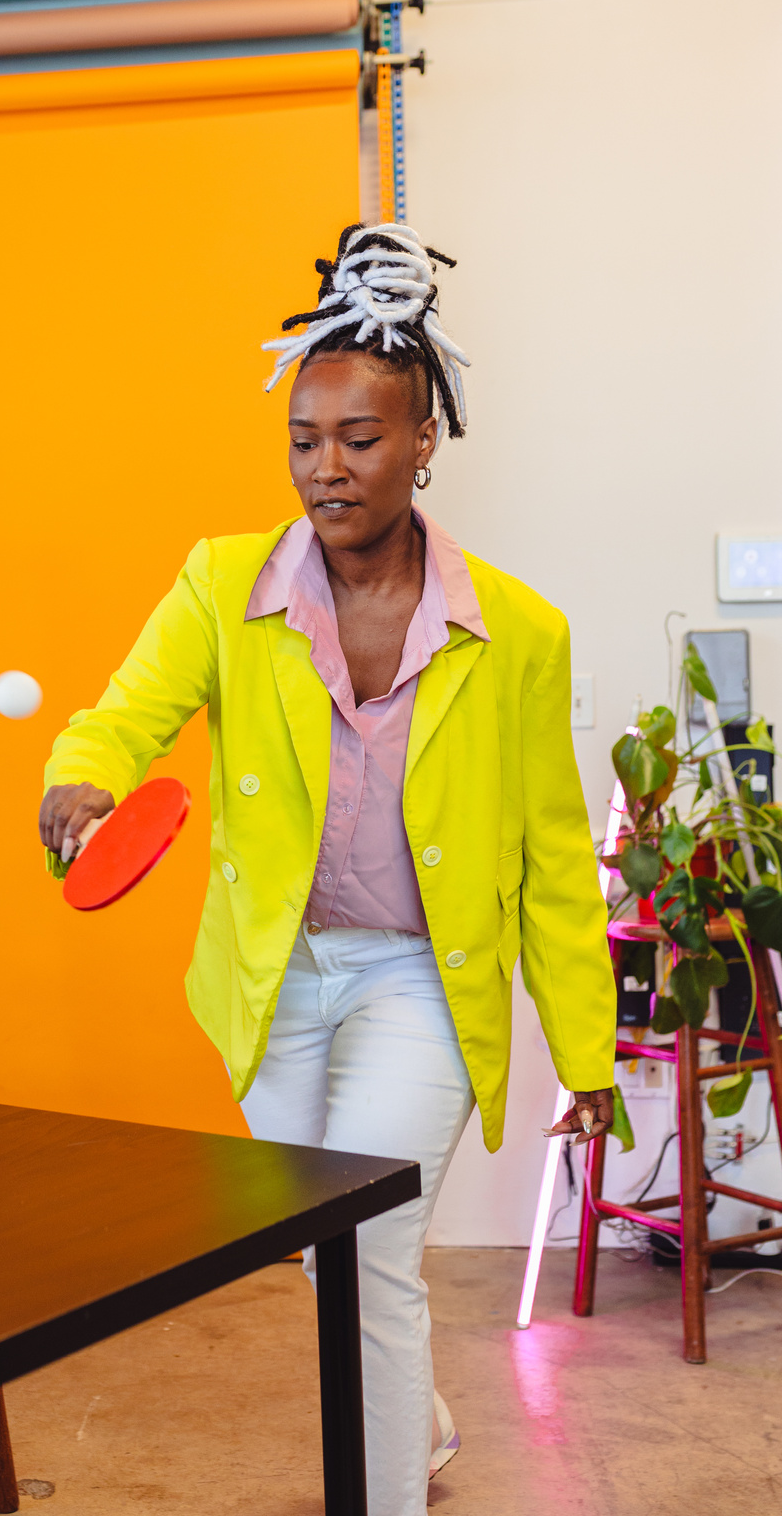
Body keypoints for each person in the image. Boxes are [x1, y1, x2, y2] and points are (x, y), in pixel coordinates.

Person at [38, 222, 616, 1516]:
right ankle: (422, 1425)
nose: (327, 468)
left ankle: (386, 1495)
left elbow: (554, 858)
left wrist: (587, 1055)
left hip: (423, 979)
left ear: (424, 442)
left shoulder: (516, 632)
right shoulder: (223, 588)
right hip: (278, 976)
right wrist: (81, 782)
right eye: (305, 440)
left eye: (361, 439)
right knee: (329, 1251)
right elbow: (118, 720)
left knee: (367, 1244)